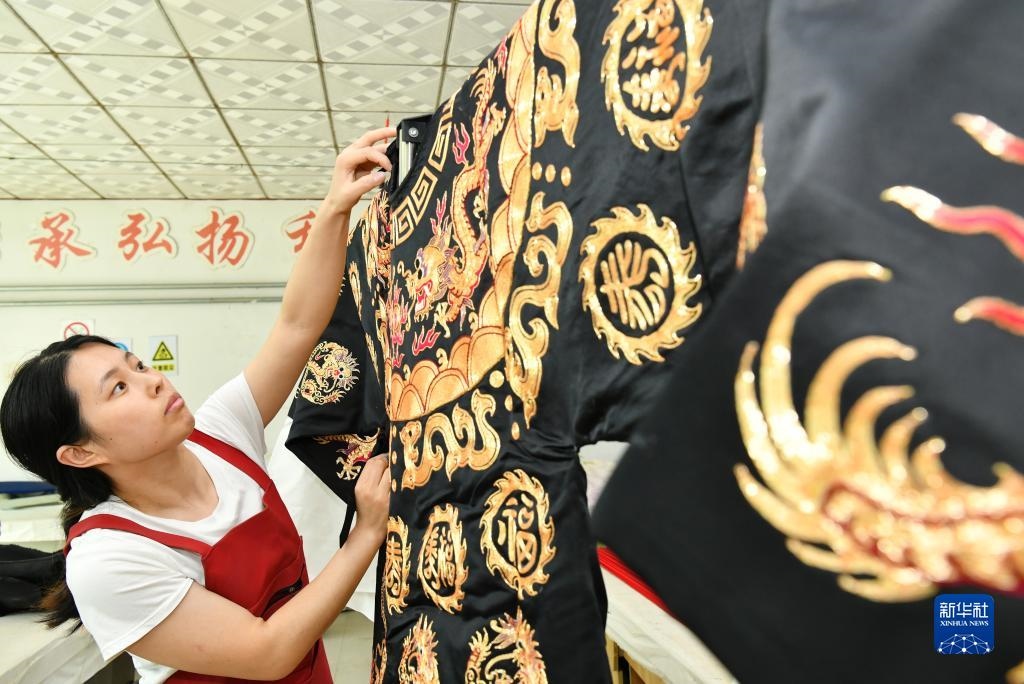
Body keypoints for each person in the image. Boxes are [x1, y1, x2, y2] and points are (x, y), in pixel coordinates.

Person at [0, 127, 397, 683]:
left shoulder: (217, 434)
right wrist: (366, 534)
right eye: (118, 388)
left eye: (139, 366)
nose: (153, 382)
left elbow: (297, 326)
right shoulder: (108, 557)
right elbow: (266, 652)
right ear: (80, 452)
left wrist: (335, 206)